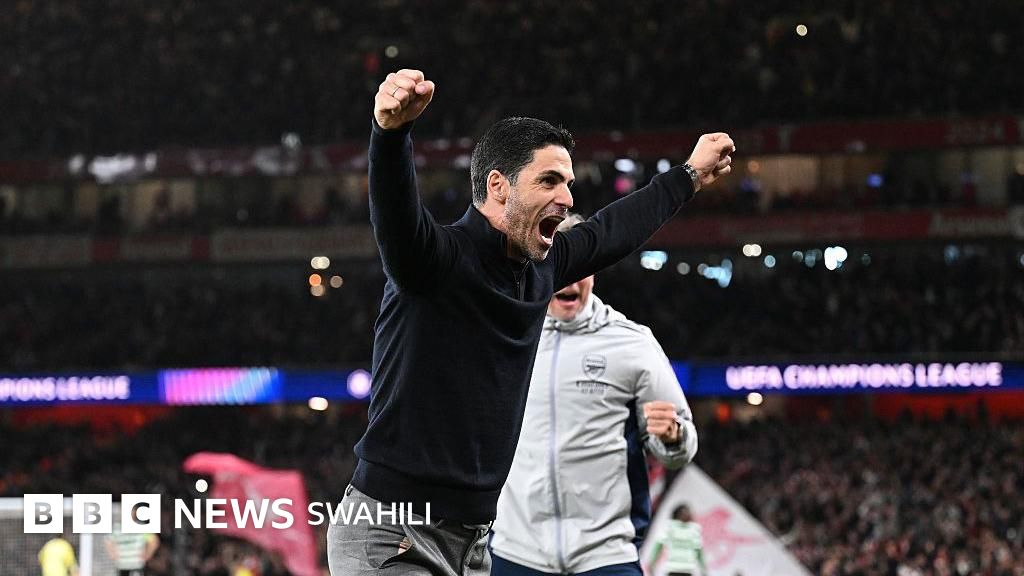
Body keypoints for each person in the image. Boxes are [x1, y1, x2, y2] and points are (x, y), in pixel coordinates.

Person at [326, 68, 734, 576]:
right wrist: (390, 134)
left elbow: (614, 230)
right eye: (549, 180)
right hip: (391, 532)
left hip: (474, 543)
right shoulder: (434, 260)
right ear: (498, 186)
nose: (567, 198)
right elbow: (395, 217)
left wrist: (688, 175)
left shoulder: (543, 268)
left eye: (568, 183)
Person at [490, 214, 698, 576]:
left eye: (581, 267)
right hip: (515, 551)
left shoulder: (632, 343)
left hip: (605, 556)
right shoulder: (504, 337)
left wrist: (673, 436)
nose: (570, 279)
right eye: (561, 265)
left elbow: (682, 443)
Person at [645, 504, 707, 576]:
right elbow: (658, 546)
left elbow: (699, 551)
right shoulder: (670, 527)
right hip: (676, 568)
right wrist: (651, 563)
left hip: (685, 569)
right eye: (686, 512)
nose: (689, 514)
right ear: (678, 514)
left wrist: (652, 563)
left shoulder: (693, 529)